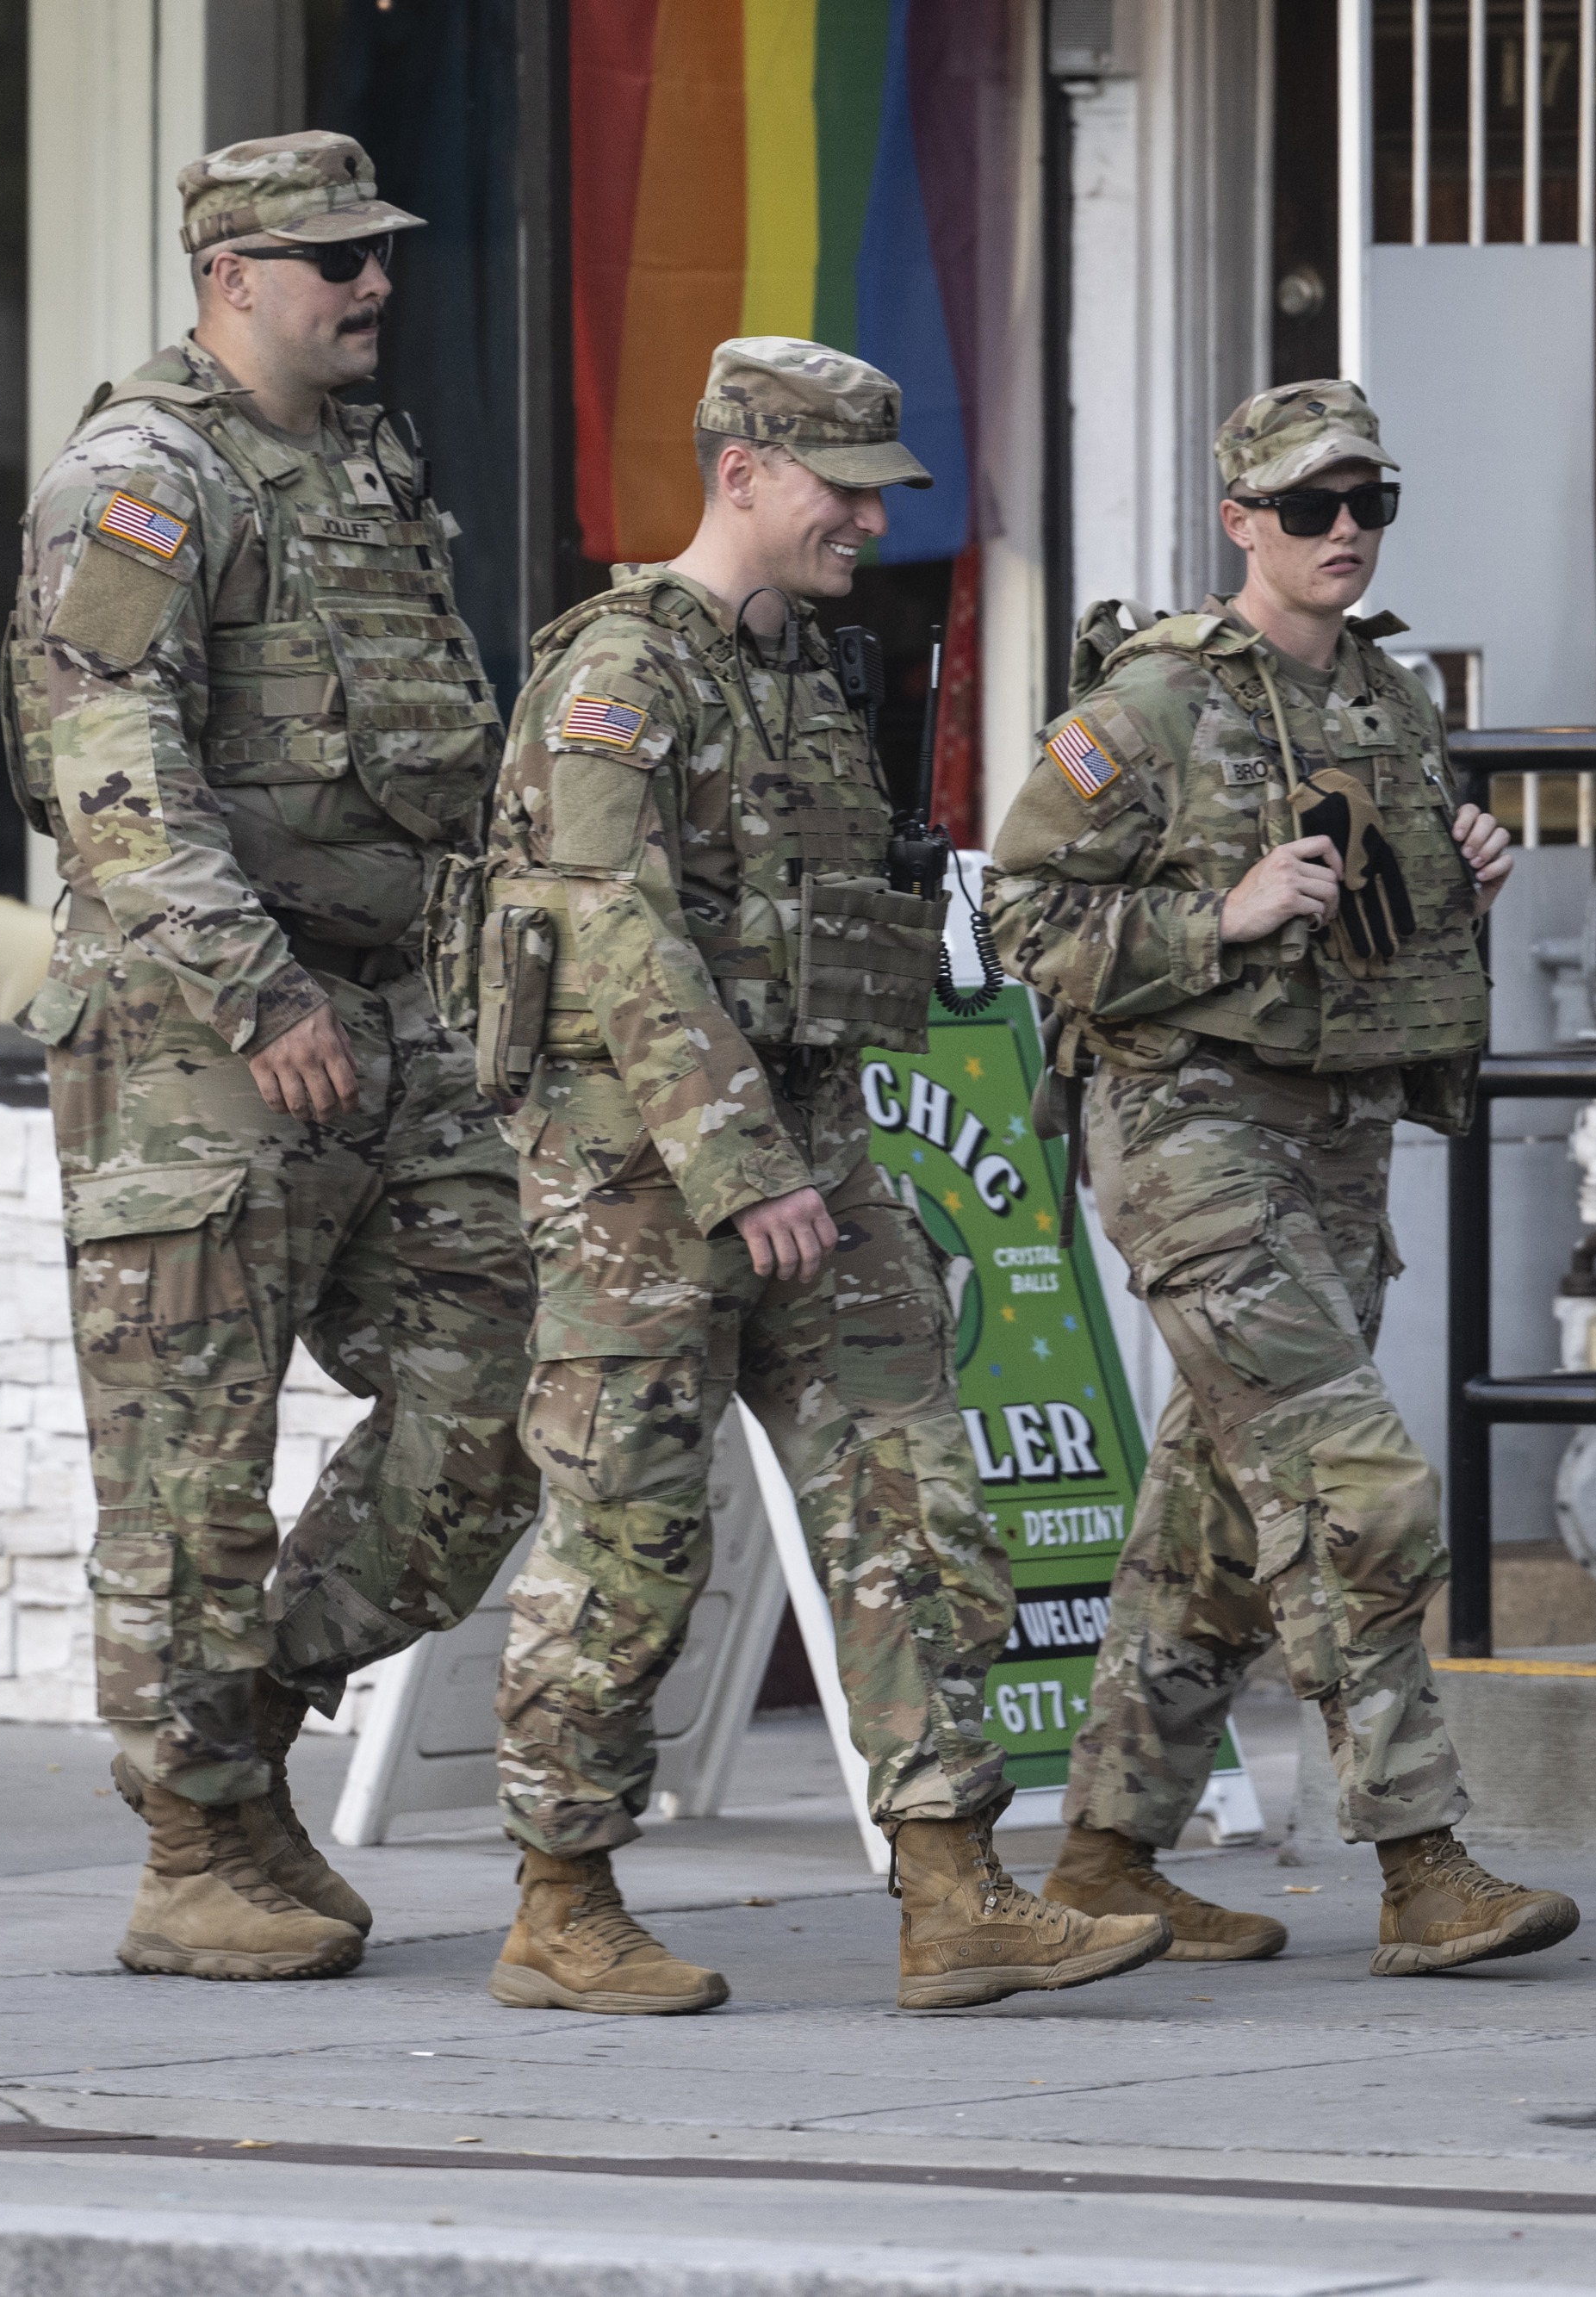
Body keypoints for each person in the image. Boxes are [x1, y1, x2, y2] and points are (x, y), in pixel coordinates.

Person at [464, 338, 1171, 2015]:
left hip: (823, 1146)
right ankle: (556, 1899)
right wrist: (735, 1162)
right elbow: (610, 928)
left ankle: (950, 1886)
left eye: (878, 486)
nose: (868, 514)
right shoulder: (617, 675)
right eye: (841, 485)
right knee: (629, 1536)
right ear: (740, 473)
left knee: (907, 1500)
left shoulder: (805, 675)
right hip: (644, 1178)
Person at [3, 131, 537, 1982]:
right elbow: (114, 780)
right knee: (187, 1463)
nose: (372, 282)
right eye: (330, 260)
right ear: (230, 277)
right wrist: (262, 997)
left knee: (521, 1361)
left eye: (378, 249)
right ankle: (191, 1842)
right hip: (204, 1038)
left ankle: (249, 1714)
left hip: (397, 1009)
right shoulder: (139, 481)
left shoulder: (358, 463)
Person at [984, 380, 1582, 1977]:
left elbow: (1384, 933)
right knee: (1351, 1486)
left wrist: (1462, 885)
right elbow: (1014, 919)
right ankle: (1422, 1861)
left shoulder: (1392, 695)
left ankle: (1108, 1859)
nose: (1343, 534)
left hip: (1333, 1138)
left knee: (1218, 1520)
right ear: (1239, 519)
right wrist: (1218, 919)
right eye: (1308, 507)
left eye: (1366, 504)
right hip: (1189, 1135)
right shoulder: (1151, 704)